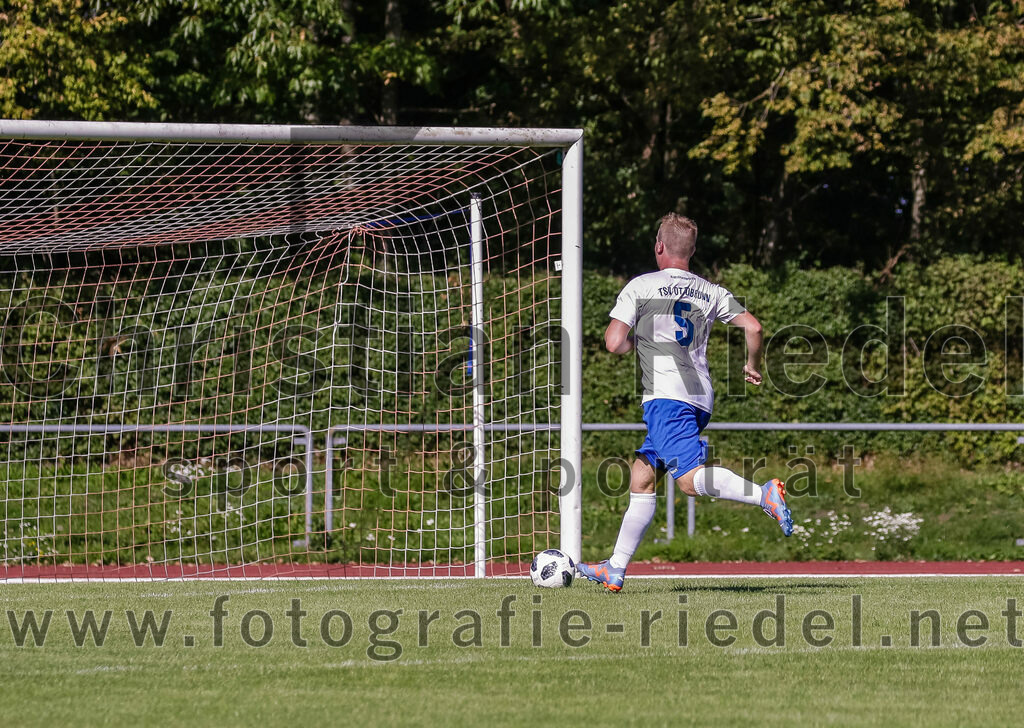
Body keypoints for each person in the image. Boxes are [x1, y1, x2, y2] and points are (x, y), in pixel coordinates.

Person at [577, 213, 793, 592]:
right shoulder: (710, 290)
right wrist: (751, 365)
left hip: (667, 398)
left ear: (659, 247)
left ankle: (764, 495)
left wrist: (632, 343)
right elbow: (755, 328)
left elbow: (613, 342)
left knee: (690, 482)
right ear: (691, 252)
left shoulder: (641, 286)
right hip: (699, 398)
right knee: (642, 477)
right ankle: (615, 567)